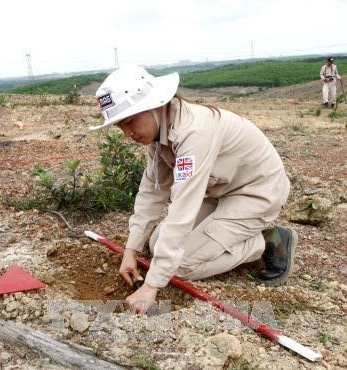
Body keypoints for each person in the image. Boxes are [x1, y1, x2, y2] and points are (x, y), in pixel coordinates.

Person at [90, 65, 296, 314]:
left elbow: (183, 209)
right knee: (156, 244)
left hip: (257, 193)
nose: (127, 133)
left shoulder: (194, 132)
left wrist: (152, 285)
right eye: (120, 126)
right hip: (222, 191)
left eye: (130, 121)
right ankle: (234, 237)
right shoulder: (160, 134)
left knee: (181, 266)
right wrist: (130, 250)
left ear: (154, 105)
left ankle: (264, 241)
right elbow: (152, 194)